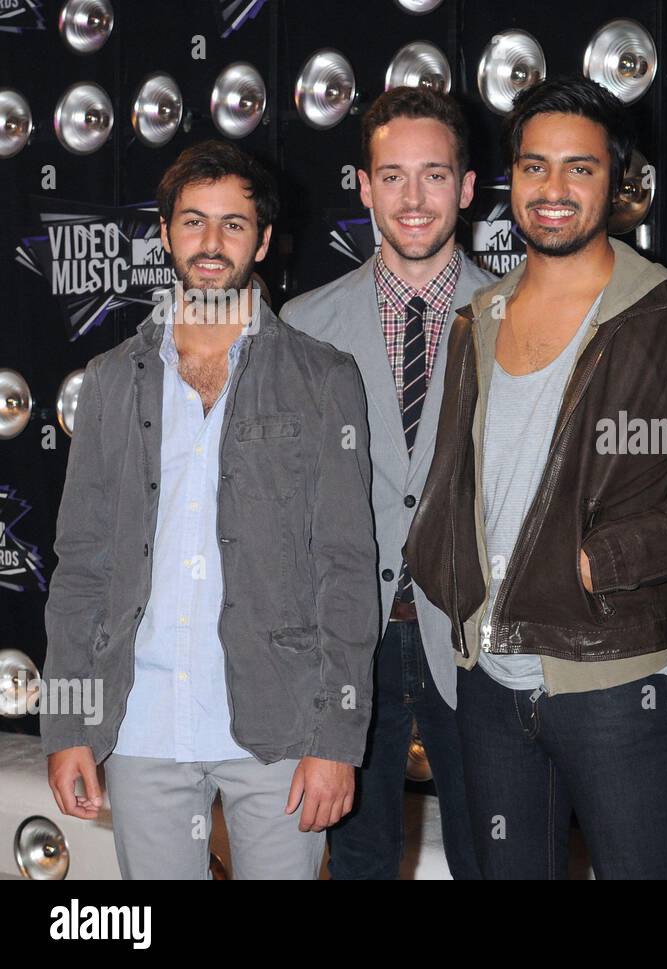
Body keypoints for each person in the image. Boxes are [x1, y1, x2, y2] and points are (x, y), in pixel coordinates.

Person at [404, 77, 667, 879]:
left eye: (580, 169)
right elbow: (458, 480)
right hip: (489, 681)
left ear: (619, 184)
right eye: (535, 168)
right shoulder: (479, 318)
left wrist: (610, 557)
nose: (554, 190)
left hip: (613, 682)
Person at [42, 140, 378, 879]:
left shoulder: (323, 378)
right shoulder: (109, 382)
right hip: (142, 721)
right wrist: (67, 722)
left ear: (262, 239)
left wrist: (337, 738)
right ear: (164, 234)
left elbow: (348, 568)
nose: (211, 242)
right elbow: (82, 567)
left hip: (281, 726)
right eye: (193, 221)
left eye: (233, 224)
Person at [282, 87, 495, 880]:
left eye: (434, 176)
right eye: (393, 177)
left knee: (494, 854)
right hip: (344, 641)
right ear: (363, 186)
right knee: (359, 857)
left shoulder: (521, 316)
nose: (413, 199)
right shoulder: (300, 324)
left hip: (478, 641)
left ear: (468, 188)